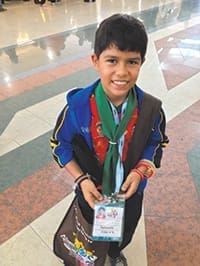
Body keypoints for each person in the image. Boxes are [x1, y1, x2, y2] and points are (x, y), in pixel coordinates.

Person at [50, 14, 169, 266]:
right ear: (96, 61)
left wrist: (140, 172)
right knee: (89, 229)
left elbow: (156, 143)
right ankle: (89, 253)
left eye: (132, 62)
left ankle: (114, 253)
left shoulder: (150, 110)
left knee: (123, 231)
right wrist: (81, 180)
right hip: (92, 190)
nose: (122, 72)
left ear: (142, 62)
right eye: (112, 60)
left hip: (130, 192)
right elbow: (60, 144)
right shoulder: (78, 107)